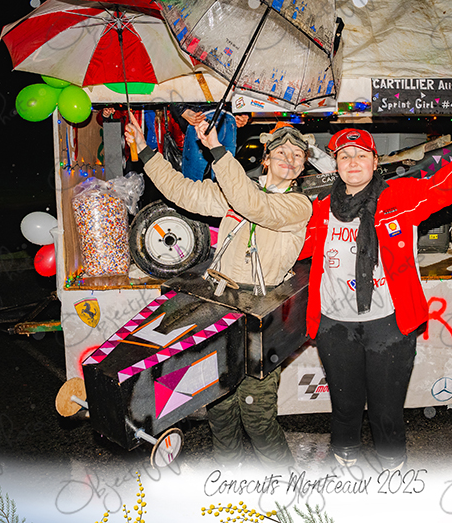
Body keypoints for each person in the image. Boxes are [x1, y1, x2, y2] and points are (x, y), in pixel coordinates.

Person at [298, 102, 452, 470]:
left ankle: (392, 472)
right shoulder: (319, 208)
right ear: (336, 165)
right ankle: (345, 465)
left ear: (375, 161)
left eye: (361, 155)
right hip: (335, 325)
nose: (353, 162)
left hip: (389, 323)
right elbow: (293, 246)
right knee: (345, 406)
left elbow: (444, 188)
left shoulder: (399, 196)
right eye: (345, 156)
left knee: (386, 410)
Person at [125, 114, 314, 469]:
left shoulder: (298, 205)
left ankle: (287, 487)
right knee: (220, 408)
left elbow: (254, 205)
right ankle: (230, 482)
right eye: (282, 152)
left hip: (262, 313)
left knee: (256, 416)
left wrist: (217, 148)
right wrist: (146, 151)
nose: (289, 159)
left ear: (303, 167)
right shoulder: (234, 192)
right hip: (220, 305)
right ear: (267, 159)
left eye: (298, 156)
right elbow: (181, 191)